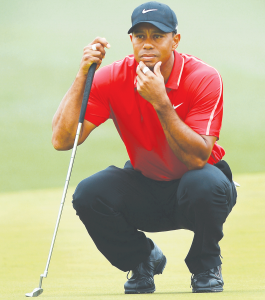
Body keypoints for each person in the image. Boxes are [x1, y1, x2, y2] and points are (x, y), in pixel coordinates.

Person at [52, 1, 237, 294]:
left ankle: (206, 264)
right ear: (131, 40)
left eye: (157, 36)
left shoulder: (203, 77)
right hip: (147, 185)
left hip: (199, 186)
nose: (147, 44)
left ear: (175, 40)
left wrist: (161, 102)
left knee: (204, 183)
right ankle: (142, 259)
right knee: (89, 194)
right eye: (140, 36)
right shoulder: (114, 77)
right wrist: (82, 74)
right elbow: (62, 141)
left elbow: (198, 156)